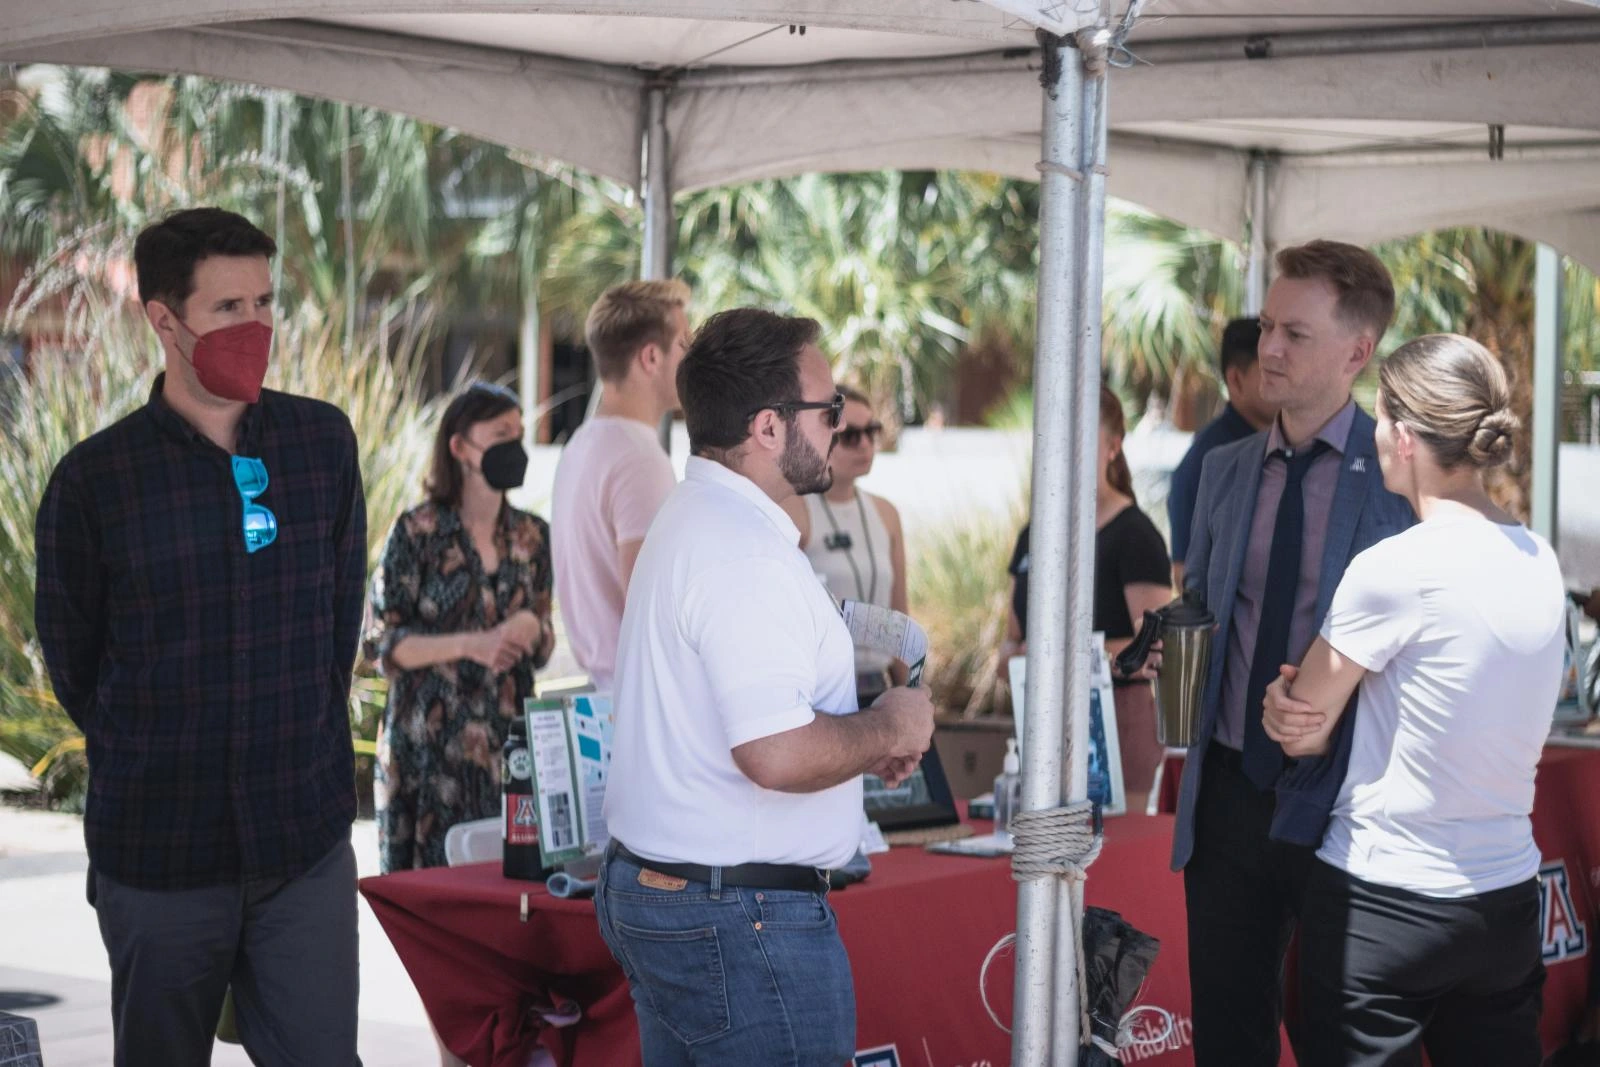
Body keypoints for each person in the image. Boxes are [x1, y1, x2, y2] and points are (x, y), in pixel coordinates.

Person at [34, 207, 367, 1064]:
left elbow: (337, 627)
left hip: (302, 843)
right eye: (228, 309)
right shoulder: (95, 483)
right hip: (161, 852)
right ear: (164, 319)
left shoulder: (320, 445)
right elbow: (76, 662)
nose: (254, 327)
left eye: (264, 302)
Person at [596, 307, 937, 1064]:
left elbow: (754, 722)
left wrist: (854, 747)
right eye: (827, 408)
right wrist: (890, 726)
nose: (841, 421)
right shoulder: (740, 548)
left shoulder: (697, 517)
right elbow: (775, 752)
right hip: (739, 917)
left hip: (695, 898)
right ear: (769, 428)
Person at [1262, 333, 1564, 1067]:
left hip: (1383, 901)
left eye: (1379, 413)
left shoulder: (1394, 569)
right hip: (1505, 898)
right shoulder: (1540, 558)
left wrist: (1280, 700)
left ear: (1403, 436)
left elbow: (1302, 726)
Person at [1169, 239, 1415, 1067]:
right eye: (1269, 326)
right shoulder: (1225, 470)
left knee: (1342, 1045)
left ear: (1358, 350)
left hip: (1346, 806)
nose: (1267, 347)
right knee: (1230, 1040)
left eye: (1295, 334)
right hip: (1232, 796)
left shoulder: (1402, 482)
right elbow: (1201, 610)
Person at [366, 382, 555, 874]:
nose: (514, 444)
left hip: (510, 751)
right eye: (500, 433)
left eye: (518, 433)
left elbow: (546, 635)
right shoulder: (415, 533)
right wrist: (473, 645)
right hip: (430, 755)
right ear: (460, 447)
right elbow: (382, 647)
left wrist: (530, 626)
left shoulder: (534, 535)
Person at [1000, 386, 1172, 812]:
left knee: (1114, 863)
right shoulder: (1032, 534)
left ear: (1113, 447)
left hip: (1118, 725)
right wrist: (1018, 659)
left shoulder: (1136, 536)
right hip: (1042, 725)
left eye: (1081, 435)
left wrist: (1063, 656)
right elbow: (1008, 645)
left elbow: (1154, 650)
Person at [552, 279, 690, 690]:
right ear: (651, 357)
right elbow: (651, 610)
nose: (692, 356)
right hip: (639, 696)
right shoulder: (638, 458)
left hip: (608, 690)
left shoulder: (583, 443)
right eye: (684, 343)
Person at [783, 383, 910, 705]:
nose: (866, 444)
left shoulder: (886, 513)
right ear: (825, 437)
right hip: (823, 693)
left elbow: (900, 618)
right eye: (852, 435)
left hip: (879, 689)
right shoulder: (796, 510)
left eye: (873, 431)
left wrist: (912, 694)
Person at [1168, 317, 1277, 587]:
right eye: (1270, 371)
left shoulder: (1292, 445)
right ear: (1236, 380)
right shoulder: (1207, 461)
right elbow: (1184, 572)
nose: (1282, 378)